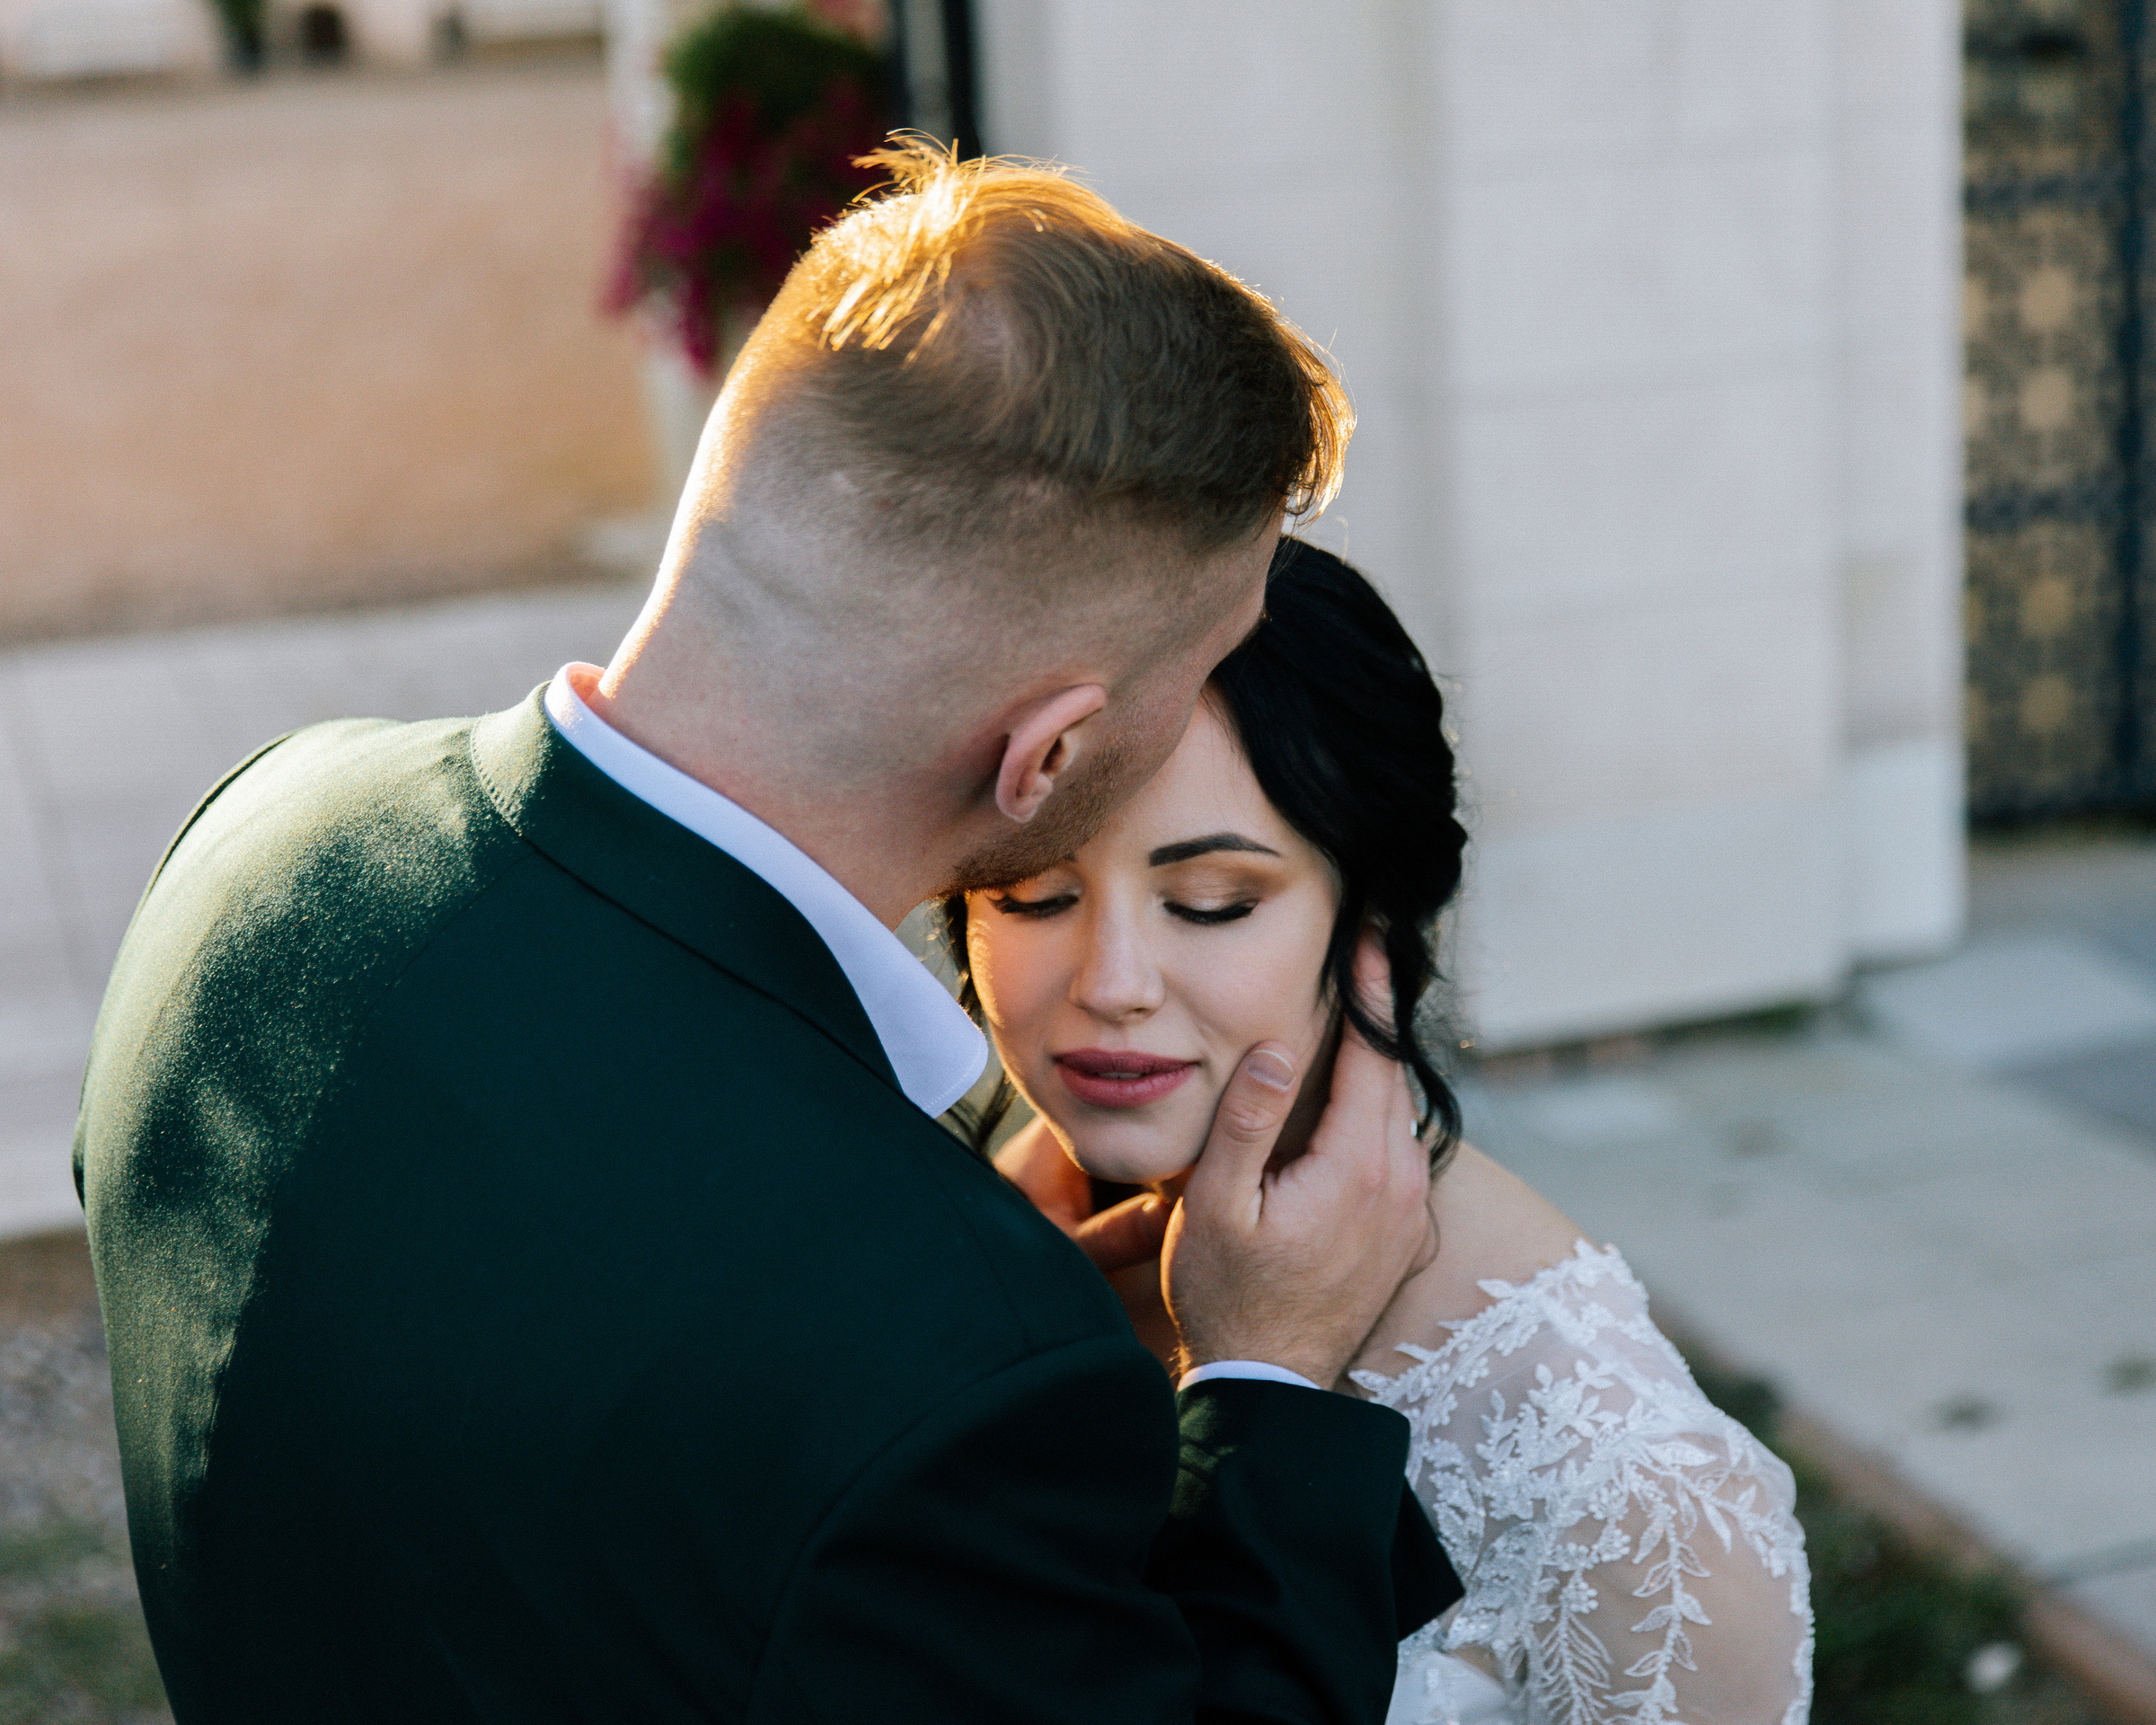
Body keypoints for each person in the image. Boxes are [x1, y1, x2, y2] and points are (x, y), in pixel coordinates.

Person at [72, 146, 1459, 1722]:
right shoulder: (945, 1356)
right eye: (1208, 655)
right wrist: (1271, 1385)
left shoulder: (254, 839)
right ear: (1049, 753)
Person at [954, 541, 1815, 1725]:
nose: (1112, 982)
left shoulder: (1635, 1502)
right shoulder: (991, 1232)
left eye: (1212, 903)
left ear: (1375, 911)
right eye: (1032, 895)